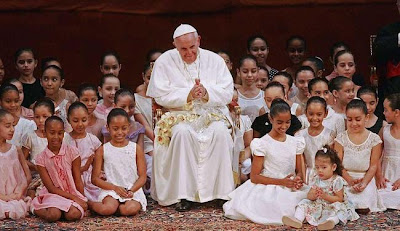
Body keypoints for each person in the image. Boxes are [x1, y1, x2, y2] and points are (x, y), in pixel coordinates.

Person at [146, 24, 234, 211]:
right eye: (183, 49)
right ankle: (184, 195)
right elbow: (160, 95)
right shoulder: (164, 61)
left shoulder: (215, 60)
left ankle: (221, 193)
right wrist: (189, 94)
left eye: (192, 47)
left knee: (220, 133)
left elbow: (227, 93)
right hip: (179, 114)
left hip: (211, 113)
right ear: (174, 45)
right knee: (181, 134)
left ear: (199, 41)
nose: (188, 53)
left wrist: (206, 92)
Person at [223, 99, 307, 225]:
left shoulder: (296, 142)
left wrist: (298, 179)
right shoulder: (262, 144)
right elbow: (254, 177)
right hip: (269, 185)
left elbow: (299, 170)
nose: (284, 126)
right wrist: (281, 182)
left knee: (310, 200)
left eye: (287, 122)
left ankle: (298, 218)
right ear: (271, 119)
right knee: (275, 205)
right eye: (279, 122)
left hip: (290, 184)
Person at [282, 146, 359, 230]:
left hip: (332, 204)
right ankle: (297, 219)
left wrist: (326, 196)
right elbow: (309, 195)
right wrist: (313, 195)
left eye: (324, 167)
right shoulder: (317, 179)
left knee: (339, 209)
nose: (320, 170)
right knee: (304, 203)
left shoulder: (337, 180)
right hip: (319, 205)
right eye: (317, 167)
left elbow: (339, 198)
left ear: (333, 167)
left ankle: (331, 222)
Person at [90, 108, 147, 216]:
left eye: (124, 128)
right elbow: (95, 179)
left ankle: (117, 208)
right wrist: (114, 188)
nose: (120, 132)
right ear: (108, 128)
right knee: (106, 209)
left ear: (129, 127)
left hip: (132, 190)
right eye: (115, 129)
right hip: (111, 190)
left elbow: (142, 177)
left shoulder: (136, 148)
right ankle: (91, 204)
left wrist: (131, 190)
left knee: (130, 209)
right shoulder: (102, 149)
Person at [31, 116, 88, 222]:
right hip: (53, 195)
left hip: (71, 192)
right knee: (53, 215)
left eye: (60, 133)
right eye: (52, 133)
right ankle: (36, 209)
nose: (56, 137)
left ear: (63, 134)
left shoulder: (73, 152)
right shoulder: (41, 159)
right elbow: (51, 188)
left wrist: (82, 198)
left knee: (74, 215)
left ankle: (64, 209)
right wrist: (74, 199)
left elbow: (77, 179)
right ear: (44, 134)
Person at [334, 99, 386, 214]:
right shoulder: (341, 138)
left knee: (364, 200)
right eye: (349, 119)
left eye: (358, 119)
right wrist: (349, 180)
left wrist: (364, 183)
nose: (353, 123)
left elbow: (373, 166)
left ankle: (359, 206)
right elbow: (338, 164)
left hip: (365, 177)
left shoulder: (374, 139)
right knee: (341, 197)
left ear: (366, 118)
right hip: (345, 177)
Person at [64, 102, 102, 202]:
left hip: (89, 177)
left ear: (88, 119)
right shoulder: (65, 139)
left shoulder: (93, 140)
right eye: (75, 121)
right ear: (68, 121)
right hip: (70, 177)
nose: (80, 124)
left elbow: (99, 161)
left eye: (84, 120)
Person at [0, 109, 31, 220]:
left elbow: (27, 175)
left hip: (15, 195)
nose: (12, 130)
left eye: (13, 125)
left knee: (17, 208)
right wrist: (4, 197)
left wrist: (19, 192)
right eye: (8, 126)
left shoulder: (16, 149)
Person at [296, 97, 335, 184]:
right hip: (307, 173)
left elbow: (331, 158)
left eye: (319, 114)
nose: (314, 118)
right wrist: (302, 177)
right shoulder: (300, 135)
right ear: (306, 113)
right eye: (311, 114)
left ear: (325, 114)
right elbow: (300, 160)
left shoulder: (329, 135)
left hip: (324, 174)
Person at [21, 98, 54, 198]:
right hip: (36, 175)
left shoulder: (59, 136)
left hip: (54, 174)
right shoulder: (30, 136)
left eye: (45, 117)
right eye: (37, 117)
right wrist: (35, 167)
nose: (41, 121)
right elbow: (23, 159)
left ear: (53, 116)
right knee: (31, 193)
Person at [376, 93, 400, 209]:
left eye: (386, 110)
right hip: (386, 174)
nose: (383, 113)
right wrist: (379, 175)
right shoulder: (384, 130)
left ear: (397, 112)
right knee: (380, 195)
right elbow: (376, 156)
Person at [41, 65, 76, 132]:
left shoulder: (68, 105)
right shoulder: (37, 106)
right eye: (46, 79)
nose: (49, 83)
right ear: (41, 81)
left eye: (54, 79)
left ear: (62, 82)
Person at [134, 63, 156, 157]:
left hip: (167, 139)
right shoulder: (136, 99)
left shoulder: (166, 98)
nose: (152, 82)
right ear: (143, 76)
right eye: (149, 78)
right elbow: (145, 126)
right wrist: (160, 142)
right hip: (148, 141)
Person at [237, 55, 266, 122]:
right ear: (238, 72)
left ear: (258, 71)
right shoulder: (234, 96)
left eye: (253, 71)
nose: (249, 75)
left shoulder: (265, 96)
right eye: (245, 71)